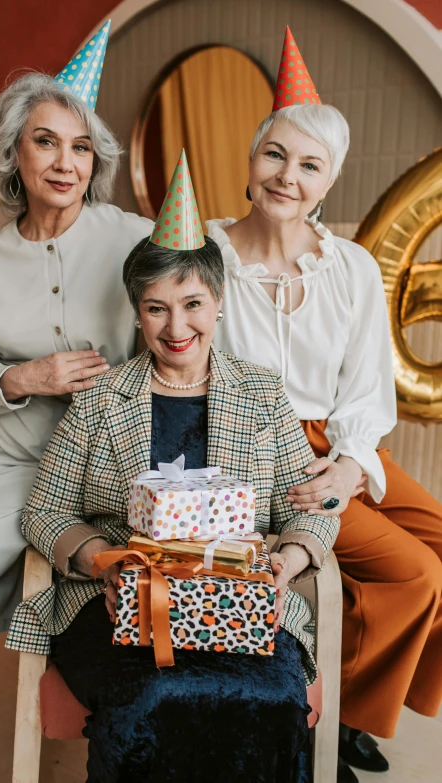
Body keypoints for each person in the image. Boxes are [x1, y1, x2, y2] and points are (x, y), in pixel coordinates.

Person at [6, 154, 340, 783]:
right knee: (153, 696)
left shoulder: (264, 394)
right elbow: (43, 511)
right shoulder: (103, 399)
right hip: (116, 609)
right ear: (137, 312)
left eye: (191, 304)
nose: (176, 326)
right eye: (156, 308)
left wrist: (285, 565)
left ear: (217, 303)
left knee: (269, 695)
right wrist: (99, 562)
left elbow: (311, 509)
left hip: (242, 604)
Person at [208, 26, 442, 783]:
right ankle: (326, 712)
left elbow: (368, 385)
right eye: (275, 154)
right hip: (255, 448)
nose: (288, 175)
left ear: (328, 181)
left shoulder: (351, 267)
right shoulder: (205, 255)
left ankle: (362, 697)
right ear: (250, 164)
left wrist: (348, 464)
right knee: (413, 573)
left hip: (337, 440)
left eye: (310, 165)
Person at [0, 23, 153, 691]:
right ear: (13, 152)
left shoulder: (137, 242)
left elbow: (197, 310)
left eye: (80, 147)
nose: (64, 163)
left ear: (95, 160)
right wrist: (23, 377)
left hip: (63, 464)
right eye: (45, 142)